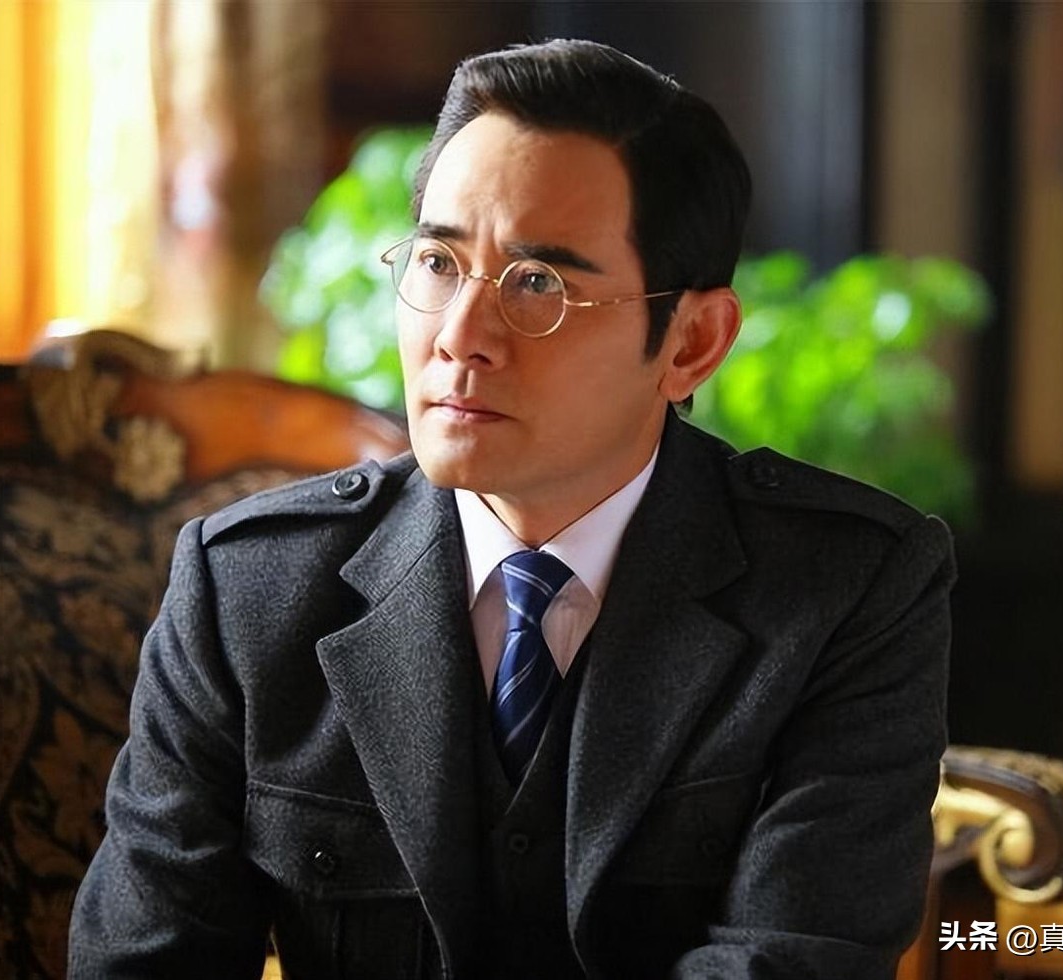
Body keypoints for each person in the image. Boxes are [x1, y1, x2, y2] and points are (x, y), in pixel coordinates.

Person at [70, 38, 954, 980]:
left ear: (692, 343)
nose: (460, 337)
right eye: (438, 262)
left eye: (540, 284)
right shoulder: (250, 588)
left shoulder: (845, 588)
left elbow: (791, 960)